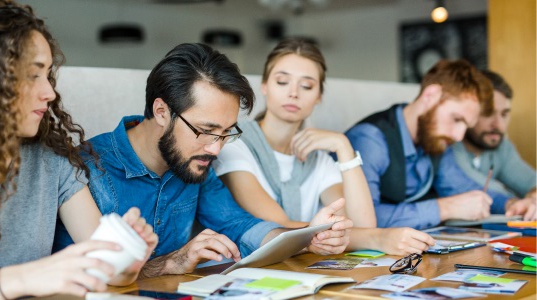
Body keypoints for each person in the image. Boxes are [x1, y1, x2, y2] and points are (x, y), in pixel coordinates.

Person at [54, 42, 354, 278]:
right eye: (205, 130)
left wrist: (307, 238)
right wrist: (170, 263)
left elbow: (240, 225)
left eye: (226, 133)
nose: (215, 148)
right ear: (161, 112)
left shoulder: (195, 164)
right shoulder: (88, 170)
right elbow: (81, 276)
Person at [0, 1, 157, 299]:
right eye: (33, 75)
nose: (50, 92)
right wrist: (24, 279)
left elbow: (110, 274)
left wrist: (127, 254)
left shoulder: (51, 160)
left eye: (48, 75)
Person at [212, 38, 434, 256]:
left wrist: (343, 147)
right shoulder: (233, 142)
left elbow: (363, 224)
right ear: (264, 86)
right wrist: (379, 238)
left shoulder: (319, 160)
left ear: (318, 96)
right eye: (282, 81)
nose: (294, 93)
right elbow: (280, 227)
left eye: (307, 85)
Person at [345, 60, 521, 229]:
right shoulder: (370, 139)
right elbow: (362, 220)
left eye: (466, 126)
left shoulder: (434, 138)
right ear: (430, 95)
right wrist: (445, 208)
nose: (458, 136)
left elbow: (461, 187)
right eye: (456, 119)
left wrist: (511, 204)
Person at [451, 70, 536, 220]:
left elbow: (530, 181)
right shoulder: (450, 143)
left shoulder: (502, 147)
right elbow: (471, 185)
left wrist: (533, 196)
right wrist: (515, 202)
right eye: (488, 113)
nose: (498, 125)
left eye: (504, 114)